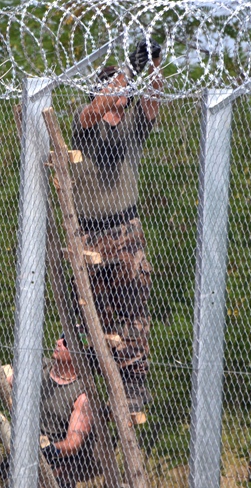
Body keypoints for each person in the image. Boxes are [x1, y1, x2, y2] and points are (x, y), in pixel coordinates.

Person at [69, 38, 163, 413]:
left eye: (124, 90)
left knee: (134, 313)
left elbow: (152, 104)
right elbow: (96, 109)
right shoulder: (86, 122)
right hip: (90, 235)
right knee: (94, 315)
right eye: (115, 88)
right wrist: (127, 72)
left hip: (125, 231)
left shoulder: (131, 128)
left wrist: (153, 65)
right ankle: (96, 390)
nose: (122, 96)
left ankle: (134, 386)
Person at [0, 332, 95, 487]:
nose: (58, 342)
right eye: (61, 337)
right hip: (23, 451)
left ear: (79, 352)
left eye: (66, 342)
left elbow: (73, 442)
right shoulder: (41, 366)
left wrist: (49, 450)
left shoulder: (82, 395)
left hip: (54, 466)